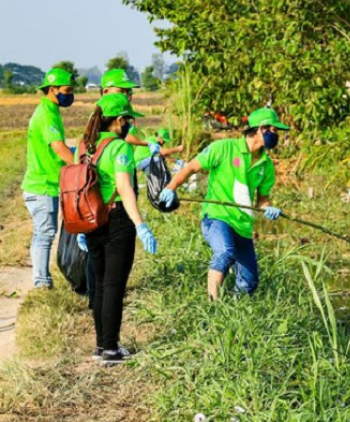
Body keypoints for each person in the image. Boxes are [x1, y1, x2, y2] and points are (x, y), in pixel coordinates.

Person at [159, 108, 289, 301]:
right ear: (261, 129)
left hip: (243, 225)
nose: (276, 134)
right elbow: (192, 167)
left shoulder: (266, 165)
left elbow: (262, 199)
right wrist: (171, 187)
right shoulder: (224, 148)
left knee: (249, 281)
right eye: (274, 129)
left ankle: (235, 313)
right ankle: (213, 307)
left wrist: (267, 207)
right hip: (217, 217)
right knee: (225, 252)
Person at [74, 94, 158, 365]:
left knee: (99, 285)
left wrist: (78, 229)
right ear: (119, 120)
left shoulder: (84, 146)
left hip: (90, 219)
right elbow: (124, 188)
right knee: (113, 286)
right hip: (117, 218)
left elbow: (76, 186)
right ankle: (110, 349)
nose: (131, 125)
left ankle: (102, 345)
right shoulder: (119, 148)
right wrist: (141, 224)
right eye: (129, 120)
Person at [21, 68, 76, 289]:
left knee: (43, 232)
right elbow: (58, 147)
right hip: (42, 185)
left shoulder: (50, 110)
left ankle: (41, 279)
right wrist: (81, 165)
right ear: (52, 89)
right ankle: (41, 281)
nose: (70, 94)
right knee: (45, 233)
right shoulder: (46, 113)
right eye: (67, 90)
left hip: (46, 184)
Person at [101, 68, 161, 156]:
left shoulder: (125, 112)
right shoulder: (102, 115)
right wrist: (148, 144)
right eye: (121, 91)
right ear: (105, 92)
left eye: (128, 92)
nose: (126, 96)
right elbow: (125, 137)